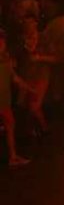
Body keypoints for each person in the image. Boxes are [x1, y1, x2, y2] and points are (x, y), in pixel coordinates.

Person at [0, 31, 35, 167]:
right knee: (9, 124)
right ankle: (13, 156)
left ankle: (13, 157)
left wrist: (29, 89)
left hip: (4, 101)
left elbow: (15, 78)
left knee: (10, 124)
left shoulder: (6, 60)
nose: (1, 44)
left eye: (2, 42)